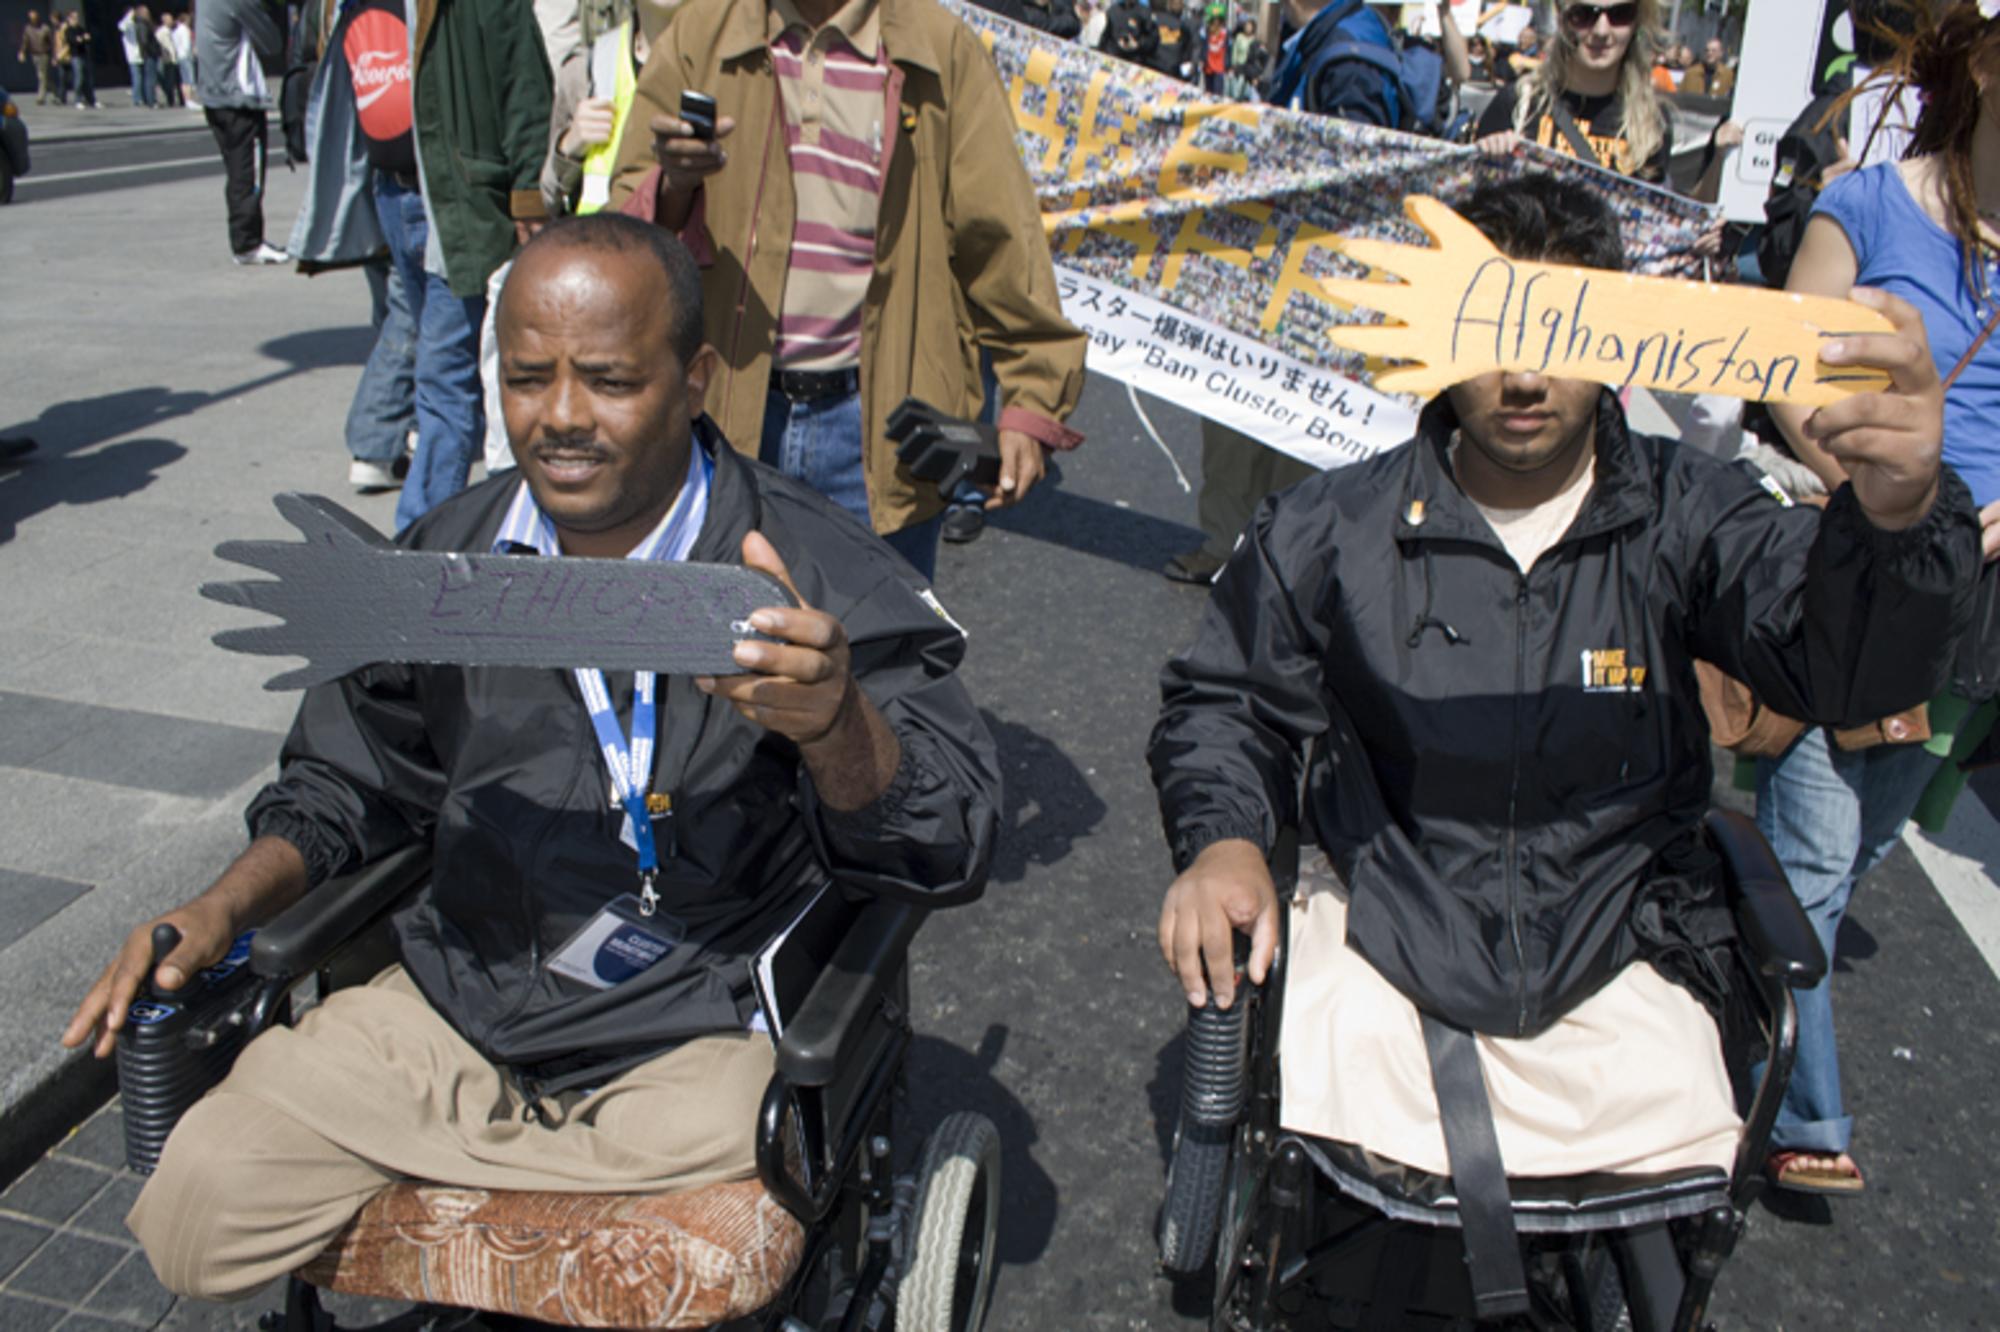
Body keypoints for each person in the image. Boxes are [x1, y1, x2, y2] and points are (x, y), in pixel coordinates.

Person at [65, 216, 1002, 1299]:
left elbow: (951, 834)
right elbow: (344, 780)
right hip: (464, 1003)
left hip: (689, 1027)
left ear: (696, 378)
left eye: (606, 381)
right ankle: (529, 1197)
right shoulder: (436, 564)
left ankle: (530, 1213)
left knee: (669, 1256)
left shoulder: (810, 573)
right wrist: (224, 908)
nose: (559, 418)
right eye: (525, 380)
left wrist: (837, 723)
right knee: (198, 1207)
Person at [1149, 174, 1976, 1261]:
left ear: (1618, 331)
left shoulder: (1693, 514)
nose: (1527, 374)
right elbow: (1224, 699)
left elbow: (1845, 670)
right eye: (1491, 331)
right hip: (1389, 922)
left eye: (1559, 331)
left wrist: (1899, 516)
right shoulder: (1328, 526)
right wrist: (1220, 841)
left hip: (1615, 943)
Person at [1752, 0, 2000, 1197]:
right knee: (1811, 853)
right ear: (1990, 65)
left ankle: (1731, 984)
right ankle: (1808, 1115)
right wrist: (1871, 484)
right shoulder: (1864, 203)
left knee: (1860, 851)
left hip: (1975, 612)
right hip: (1848, 571)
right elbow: (1788, 374)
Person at [607, 0, 1086, 583]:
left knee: (881, 661)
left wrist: (1032, 397)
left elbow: (1002, 234)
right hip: (727, 423)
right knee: (725, 656)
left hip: (877, 430)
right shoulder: (702, 34)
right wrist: (675, 184)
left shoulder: (936, 46)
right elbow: (626, 225)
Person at [1164, 0, 1469, 587]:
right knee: (1242, 408)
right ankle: (1250, 546)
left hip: (1307, 277)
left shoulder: (1348, 54)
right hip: (1288, 269)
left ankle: (1272, 556)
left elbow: (1357, 172)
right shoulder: (1332, 38)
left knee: (1268, 417)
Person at [195, 0, 285, 264]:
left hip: (214, 98)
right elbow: (273, 42)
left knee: (236, 172)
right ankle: (248, 243)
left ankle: (245, 239)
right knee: (248, 172)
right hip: (239, 99)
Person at [18, 11, 55, 105]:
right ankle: (56, 92)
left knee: (41, 76)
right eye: (31, 19)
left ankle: (40, 98)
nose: (33, 20)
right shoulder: (28, 29)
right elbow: (25, 41)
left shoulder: (45, 28)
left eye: (34, 18)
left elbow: (51, 42)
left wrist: (54, 55)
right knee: (44, 76)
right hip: (34, 55)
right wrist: (22, 52)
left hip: (44, 54)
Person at [64, 12, 96, 110]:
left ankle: (91, 100)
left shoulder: (81, 29)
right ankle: (78, 100)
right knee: (79, 78)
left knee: (88, 78)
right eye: (73, 18)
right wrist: (82, 39)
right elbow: (73, 41)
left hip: (84, 55)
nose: (76, 20)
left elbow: (88, 39)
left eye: (77, 18)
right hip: (76, 56)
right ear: (69, 19)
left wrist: (81, 39)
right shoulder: (68, 30)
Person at [156, 13, 184, 108]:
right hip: (168, 59)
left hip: (173, 58)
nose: (171, 21)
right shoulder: (162, 32)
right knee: (170, 81)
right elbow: (165, 46)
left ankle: (180, 99)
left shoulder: (171, 31)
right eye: (169, 19)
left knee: (176, 80)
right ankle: (171, 99)